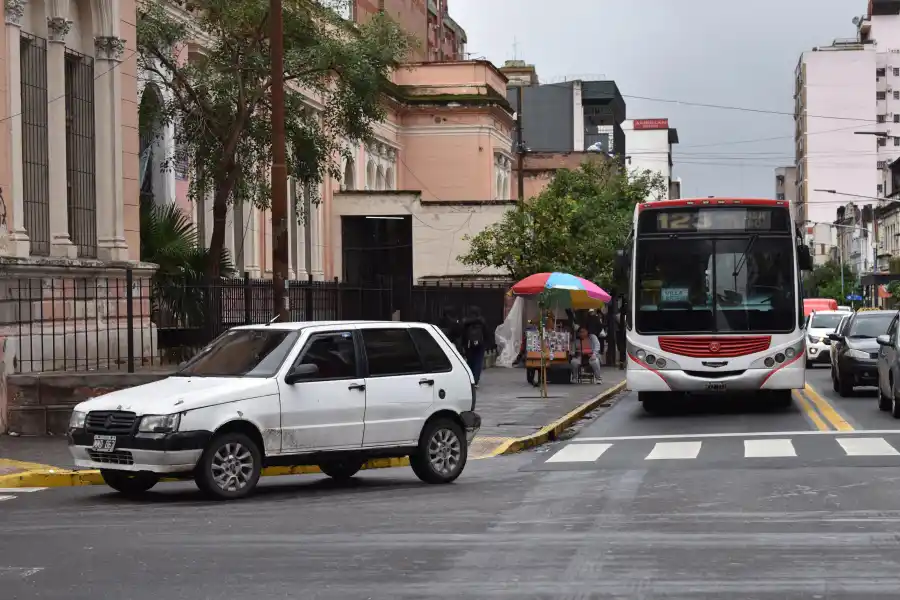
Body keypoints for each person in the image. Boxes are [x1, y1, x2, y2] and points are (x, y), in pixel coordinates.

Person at [462, 306, 488, 386]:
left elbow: (463, 333)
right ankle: (476, 379)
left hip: (469, 344)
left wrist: (464, 344)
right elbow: (486, 332)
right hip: (480, 344)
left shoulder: (466, 321)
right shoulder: (482, 321)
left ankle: (470, 378)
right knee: (478, 362)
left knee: (470, 361)